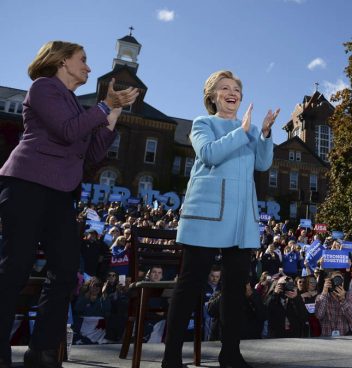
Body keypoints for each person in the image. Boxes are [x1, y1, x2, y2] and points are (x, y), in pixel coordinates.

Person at [0, 40, 138, 368]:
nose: (89, 67)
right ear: (62, 61)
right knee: (15, 267)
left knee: (65, 270)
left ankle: (43, 351)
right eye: (83, 60)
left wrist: (113, 113)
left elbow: (90, 155)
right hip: (27, 185)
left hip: (62, 193)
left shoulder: (78, 105)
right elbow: (66, 131)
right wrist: (104, 105)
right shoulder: (44, 88)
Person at [162, 70, 279, 368]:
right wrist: (241, 131)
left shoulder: (251, 130)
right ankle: (171, 356)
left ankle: (230, 353)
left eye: (237, 88)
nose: (232, 92)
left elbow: (263, 164)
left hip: (240, 219)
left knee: (234, 288)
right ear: (212, 96)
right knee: (190, 285)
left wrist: (264, 133)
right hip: (207, 216)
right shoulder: (203, 124)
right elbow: (210, 154)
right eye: (225, 88)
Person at [314, 271, 352, 337]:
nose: (337, 282)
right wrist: (324, 292)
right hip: (327, 338)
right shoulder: (321, 296)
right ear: (330, 282)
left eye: (340, 280)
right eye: (335, 280)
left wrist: (343, 300)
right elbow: (319, 315)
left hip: (345, 337)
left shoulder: (349, 296)